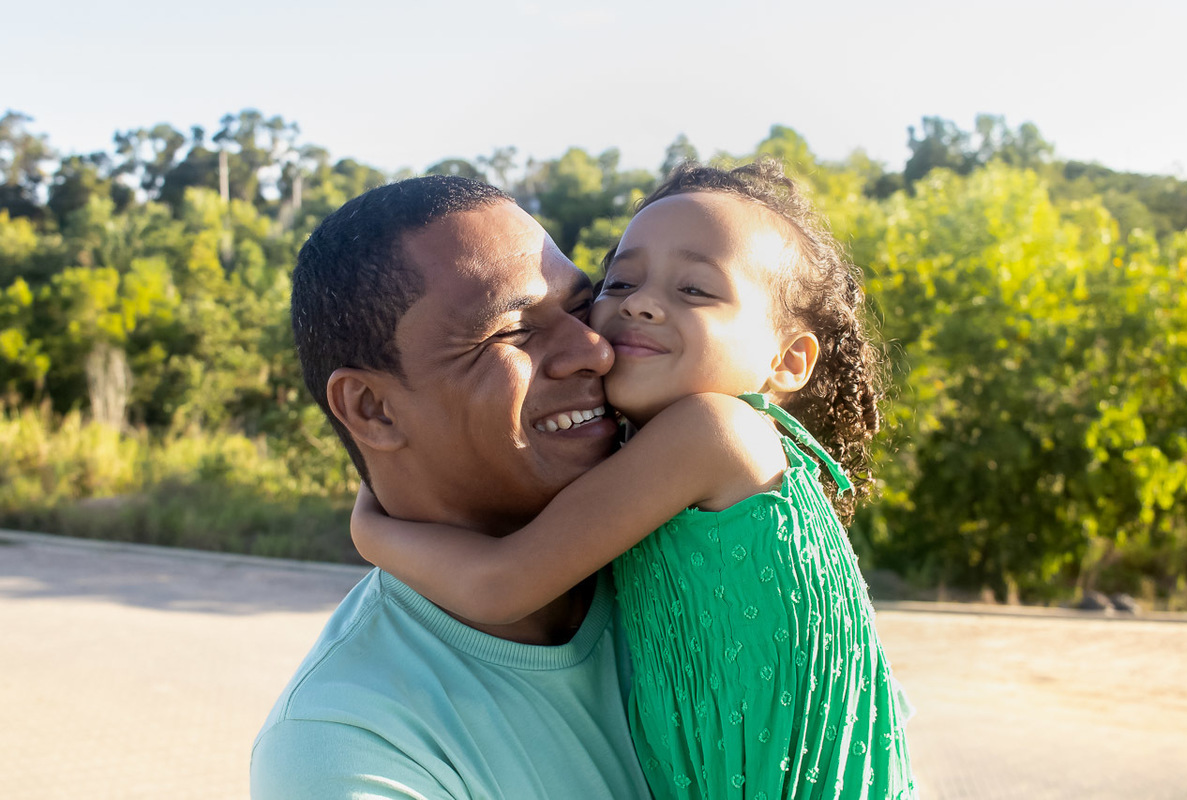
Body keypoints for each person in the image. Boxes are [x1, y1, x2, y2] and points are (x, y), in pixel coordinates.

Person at [351, 161, 919, 799]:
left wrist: (370, 529)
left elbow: (499, 584)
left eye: (696, 290)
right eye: (620, 281)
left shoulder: (713, 432)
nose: (642, 303)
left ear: (786, 360)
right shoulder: (657, 450)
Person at [250, 175, 653, 799]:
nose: (594, 349)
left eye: (580, 307)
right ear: (372, 409)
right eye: (512, 331)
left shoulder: (695, 531)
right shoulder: (348, 744)